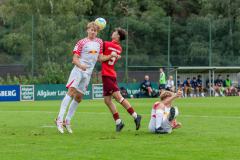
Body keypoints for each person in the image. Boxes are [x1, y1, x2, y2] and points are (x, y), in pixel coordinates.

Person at [55, 22, 116, 134]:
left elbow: (100, 58)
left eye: (95, 30)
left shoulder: (99, 42)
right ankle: (59, 119)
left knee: (79, 98)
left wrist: (110, 56)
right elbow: (75, 59)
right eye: (91, 30)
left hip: (88, 73)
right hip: (78, 70)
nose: (93, 32)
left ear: (97, 32)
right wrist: (81, 65)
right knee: (71, 91)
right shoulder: (81, 42)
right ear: (87, 30)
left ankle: (67, 121)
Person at [101, 27, 142, 132]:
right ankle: (119, 122)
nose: (113, 32)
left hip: (107, 74)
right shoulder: (119, 48)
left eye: (115, 32)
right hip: (111, 74)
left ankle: (136, 116)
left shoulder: (106, 44)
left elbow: (100, 58)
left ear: (118, 36)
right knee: (107, 100)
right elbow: (116, 54)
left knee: (118, 97)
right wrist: (113, 55)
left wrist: (109, 55)